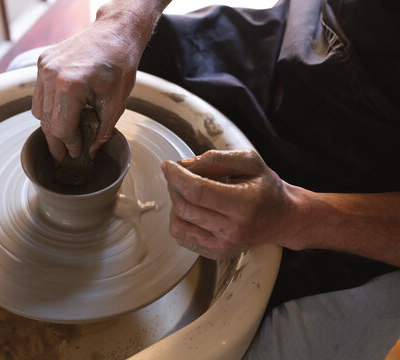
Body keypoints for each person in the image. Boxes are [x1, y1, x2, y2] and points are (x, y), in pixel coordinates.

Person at [32, 0, 400, 357]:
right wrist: (122, 19)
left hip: (367, 193)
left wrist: (296, 214)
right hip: (310, 39)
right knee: (44, 75)